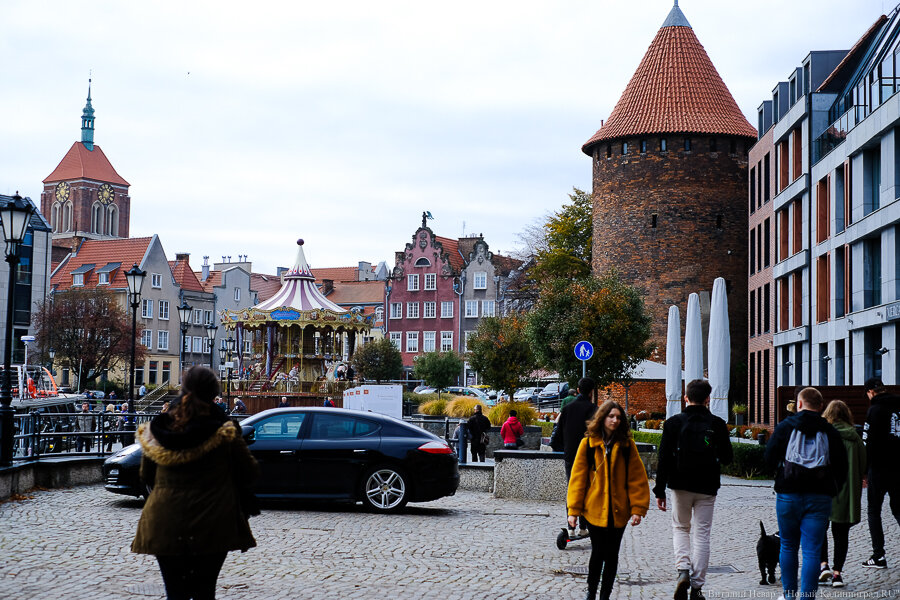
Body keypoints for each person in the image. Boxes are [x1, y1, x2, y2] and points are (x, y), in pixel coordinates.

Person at [132, 366, 258, 599]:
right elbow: (249, 472)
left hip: (165, 519)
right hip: (213, 519)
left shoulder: (158, 431)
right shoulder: (225, 432)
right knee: (204, 591)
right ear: (214, 394)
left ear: (184, 389)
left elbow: (145, 476)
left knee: (175, 593)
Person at [765, 387, 847, 600]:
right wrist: (833, 490)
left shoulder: (785, 427)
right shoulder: (829, 431)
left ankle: (789, 594)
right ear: (821, 407)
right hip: (819, 497)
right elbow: (841, 466)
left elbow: (768, 457)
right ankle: (807, 597)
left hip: (788, 495)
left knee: (788, 546)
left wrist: (779, 477)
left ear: (799, 404)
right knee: (812, 550)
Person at [653, 379, 732, 600]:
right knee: (703, 534)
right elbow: (727, 458)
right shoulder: (717, 424)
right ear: (708, 399)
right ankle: (697, 587)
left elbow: (663, 459)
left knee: (680, 528)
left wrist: (659, 490)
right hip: (707, 486)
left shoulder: (673, 423)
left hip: (680, 485)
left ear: (685, 398)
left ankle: (683, 571)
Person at [567, 400, 649, 600]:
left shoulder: (626, 446)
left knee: (612, 556)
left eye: (618, 417)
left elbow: (637, 478)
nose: (615, 420)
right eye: (611, 416)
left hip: (619, 511)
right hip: (594, 510)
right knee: (597, 553)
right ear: (602, 418)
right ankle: (591, 592)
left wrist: (638, 508)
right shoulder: (588, 444)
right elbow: (578, 479)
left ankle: (605, 595)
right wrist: (573, 511)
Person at [819, 400, 866, 588]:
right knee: (841, 535)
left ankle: (823, 566)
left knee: (820, 530)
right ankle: (838, 574)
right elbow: (863, 465)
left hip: (825, 490)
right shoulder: (855, 437)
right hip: (847, 493)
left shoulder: (824, 434)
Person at [861, 377, 900, 569]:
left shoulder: (874, 410)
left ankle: (879, 555)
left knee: (874, 511)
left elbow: (868, 443)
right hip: (899, 468)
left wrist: (864, 471)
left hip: (879, 468)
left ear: (870, 392)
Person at [557, 377, 599, 538]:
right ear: (591, 392)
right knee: (587, 490)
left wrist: (563, 448)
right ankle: (583, 526)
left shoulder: (567, 408)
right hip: (589, 456)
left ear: (578, 390)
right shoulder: (594, 409)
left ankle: (571, 527)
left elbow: (558, 432)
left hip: (570, 455)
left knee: (572, 489)